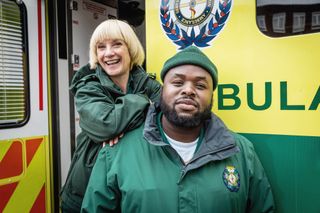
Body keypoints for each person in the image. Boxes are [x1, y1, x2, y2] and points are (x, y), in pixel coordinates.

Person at [81, 46, 275, 213]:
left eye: (200, 85)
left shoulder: (241, 152)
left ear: (212, 96)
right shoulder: (116, 153)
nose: (188, 90)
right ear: (162, 90)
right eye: (178, 82)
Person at [60, 19, 161, 212]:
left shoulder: (147, 83)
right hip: (85, 195)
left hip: (132, 190)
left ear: (130, 48)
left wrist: (125, 121)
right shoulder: (87, 87)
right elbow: (107, 124)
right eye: (101, 47)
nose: (108, 53)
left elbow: (167, 117)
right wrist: (143, 102)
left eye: (117, 44)